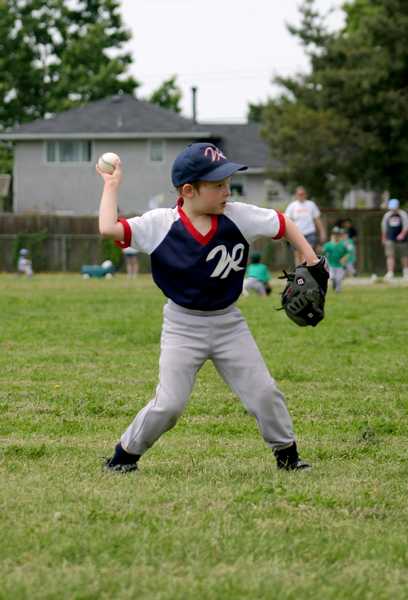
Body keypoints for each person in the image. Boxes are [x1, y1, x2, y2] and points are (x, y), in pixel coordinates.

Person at [97, 142, 328, 474]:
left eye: (228, 182)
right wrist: (111, 185)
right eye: (218, 185)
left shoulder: (238, 216)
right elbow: (108, 228)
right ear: (188, 190)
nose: (227, 191)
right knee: (169, 405)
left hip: (228, 323)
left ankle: (288, 457)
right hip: (182, 324)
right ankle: (123, 457)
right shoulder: (160, 224)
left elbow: (284, 223)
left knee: (264, 392)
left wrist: (311, 259)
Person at [284, 186, 326, 264]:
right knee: (297, 255)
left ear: (306, 194)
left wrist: (322, 232)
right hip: (296, 234)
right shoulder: (292, 206)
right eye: (299, 194)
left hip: (310, 233)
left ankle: (306, 270)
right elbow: (287, 221)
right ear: (296, 195)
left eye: (302, 194)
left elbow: (317, 220)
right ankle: (299, 270)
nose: (301, 195)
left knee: (307, 254)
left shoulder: (311, 204)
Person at [381, 198, 408, 281]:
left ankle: (406, 272)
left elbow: (406, 226)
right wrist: (384, 238)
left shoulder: (403, 214)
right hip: (390, 238)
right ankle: (390, 272)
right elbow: (384, 227)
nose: (393, 209)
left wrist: (402, 234)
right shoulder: (387, 215)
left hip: (402, 239)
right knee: (390, 255)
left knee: (404, 255)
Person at [322, 227, 350, 292]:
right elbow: (323, 252)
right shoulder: (328, 244)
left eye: (337, 234)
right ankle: (334, 283)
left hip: (339, 265)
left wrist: (344, 258)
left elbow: (347, 253)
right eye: (334, 234)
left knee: (339, 278)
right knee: (332, 277)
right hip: (331, 264)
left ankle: (338, 289)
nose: (336, 236)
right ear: (332, 235)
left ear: (340, 235)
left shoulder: (343, 244)